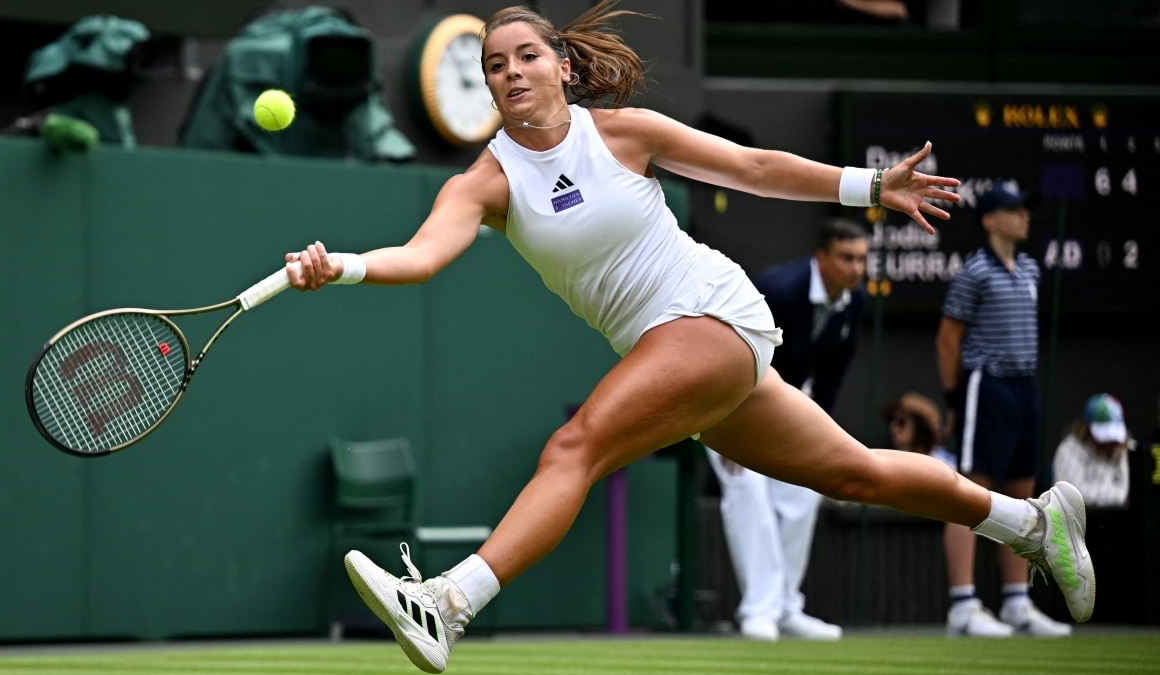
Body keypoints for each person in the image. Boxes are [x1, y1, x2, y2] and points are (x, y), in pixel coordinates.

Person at [283, 3, 1093, 671]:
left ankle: (448, 601)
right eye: (496, 65)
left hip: (710, 312)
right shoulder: (485, 182)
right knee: (857, 472)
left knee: (576, 448)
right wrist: (345, 264)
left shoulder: (624, 132)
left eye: (526, 55)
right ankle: (1032, 522)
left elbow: (754, 167)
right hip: (674, 348)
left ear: (562, 66)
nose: (511, 72)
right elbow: (421, 257)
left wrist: (871, 186)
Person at [703, 218, 870, 641]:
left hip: (786, 407)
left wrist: (820, 431)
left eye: (862, 260)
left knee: (804, 492)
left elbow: (832, 377)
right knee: (749, 494)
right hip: (725, 400)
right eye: (846, 258)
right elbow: (730, 351)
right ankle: (758, 610)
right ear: (822, 257)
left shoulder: (855, 301)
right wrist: (728, 426)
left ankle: (786, 607)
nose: (856, 269)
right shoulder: (779, 290)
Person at [934, 179, 1071, 638]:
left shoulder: (1031, 269)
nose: (1024, 216)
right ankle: (963, 605)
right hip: (984, 387)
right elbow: (948, 337)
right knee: (972, 493)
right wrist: (955, 398)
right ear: (990, 220)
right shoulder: (975, 271)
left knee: (1021, 496)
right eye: (1014, 210)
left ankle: (1016, 603)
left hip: (1024, 388)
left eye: (1024, 209)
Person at [1053, 393, 1133, 508]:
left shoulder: (1127, 447)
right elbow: (1072, 497)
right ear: (1087, 430)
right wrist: (1120, 497)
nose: (1108, 443)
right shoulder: (1068, 450)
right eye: (1104, 437)